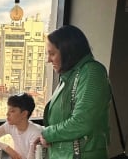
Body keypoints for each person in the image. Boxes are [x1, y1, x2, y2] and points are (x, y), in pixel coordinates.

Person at [37, 25, 111, 159]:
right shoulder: (69, 76)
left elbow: (82, 122)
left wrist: (47, 134)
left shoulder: (91, 72)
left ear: (68, 51)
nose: (48, 59)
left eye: (52, 53)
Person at [0, 93, 42, 159]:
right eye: (8, 110)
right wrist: (8, 148)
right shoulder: (11, 126)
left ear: (24, 114)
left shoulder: (35, 133)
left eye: (12, 111)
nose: (7, 114)